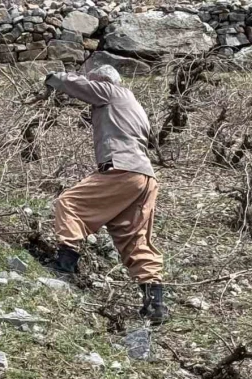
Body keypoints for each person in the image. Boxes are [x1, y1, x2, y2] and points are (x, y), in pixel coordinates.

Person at [44, 65, 169, 325]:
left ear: (103, 82)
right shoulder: (135, 107)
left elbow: (78, 86)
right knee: (134, 239)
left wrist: (52, 78)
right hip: (145, 178)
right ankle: (155, 302)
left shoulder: (113, 93)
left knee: (69, 203)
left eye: (95, 83)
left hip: (122, 170)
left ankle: (65, 264)